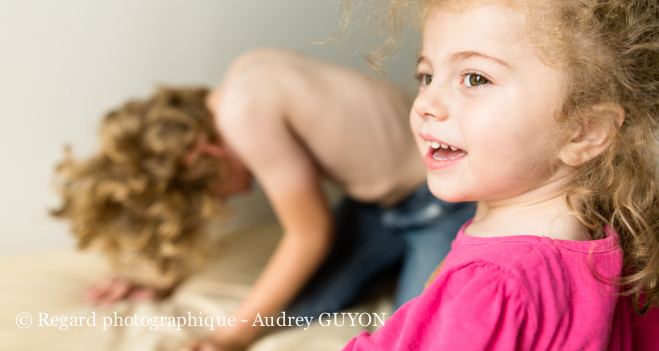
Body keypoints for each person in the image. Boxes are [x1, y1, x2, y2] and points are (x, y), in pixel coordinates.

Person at [339, 0, 659, 350]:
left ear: (583, 132)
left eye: (474, 78)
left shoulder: (494, 287)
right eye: (427, 75)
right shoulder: (597, 249)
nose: (425, 103)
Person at [53, 48, 476, 351]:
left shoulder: (245, 113)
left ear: (204, 157)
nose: (230, 197)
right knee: (293, 309)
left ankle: (413, 257)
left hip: (440, 201)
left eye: (208, 194)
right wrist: (156, 274)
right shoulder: (244, 73)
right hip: (376, 204)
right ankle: (392, 258)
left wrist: (229, 337)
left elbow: (308, 236)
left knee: (418, 335)